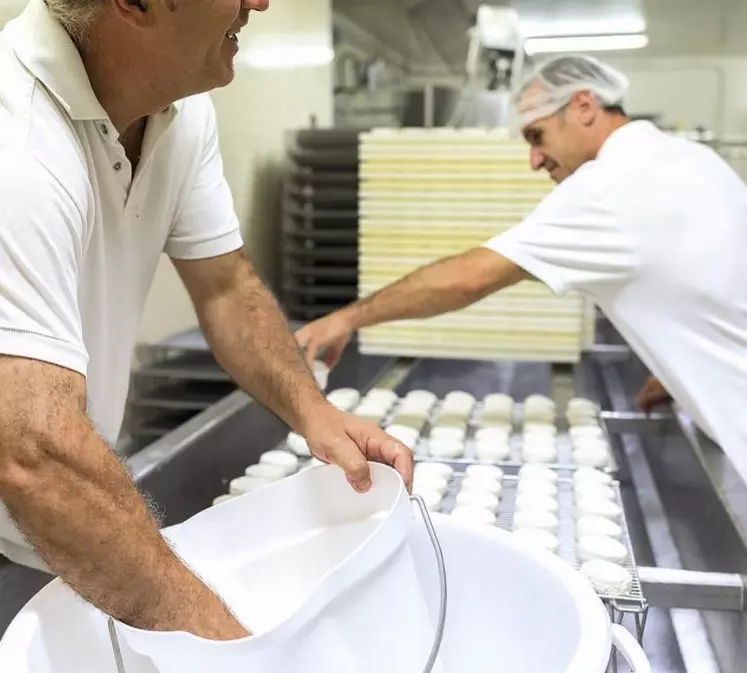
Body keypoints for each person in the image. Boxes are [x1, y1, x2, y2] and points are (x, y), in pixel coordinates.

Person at [0, 0, 412, 641]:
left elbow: (226, 286)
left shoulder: (179, 111)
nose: (260, 3)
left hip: (47, 507)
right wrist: (229, 647)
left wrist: (314, 413)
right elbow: (35, 456)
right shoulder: (18, 143)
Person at [297, 54, 747, 488]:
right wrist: (678, 368)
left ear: (584, 106)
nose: (534, 160)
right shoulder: (688, 159)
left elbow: (469, 278)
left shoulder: (607, 186)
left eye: (537, 136)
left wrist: (346, 318)